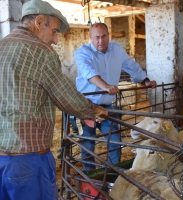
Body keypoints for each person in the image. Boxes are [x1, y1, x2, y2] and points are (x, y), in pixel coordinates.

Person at [0, 1, 108, 200]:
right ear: (39, 22)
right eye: (55, 32)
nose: (56, 40)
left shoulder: (2, 45)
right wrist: (93, 111)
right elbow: (65, 96)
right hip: (28, 159)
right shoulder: (40, 52)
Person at [74, 22, 157, 171]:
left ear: (108, 35)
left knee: (114, 141)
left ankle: (114, 173)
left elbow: (130, 65)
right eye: (97, 37)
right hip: (86, 107)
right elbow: (88, 72)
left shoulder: (116, 49)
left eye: (104, 36)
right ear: (90, 37)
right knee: (87, 142)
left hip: (107, 107)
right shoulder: (83, 53)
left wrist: (145, 80)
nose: (101, 41)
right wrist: (106, 86)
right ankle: (89, 176)